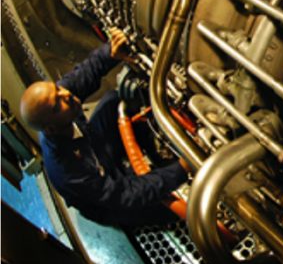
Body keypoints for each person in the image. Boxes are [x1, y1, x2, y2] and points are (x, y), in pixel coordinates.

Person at [19, 28, 189, 227]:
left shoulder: (60, 100)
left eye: (57, 89)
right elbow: (124, 194)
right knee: (163, 206)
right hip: (110, 200)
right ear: (50, 129)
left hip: (94, 147)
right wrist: (181, 169)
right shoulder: (68, 172)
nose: (66, 95)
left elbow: (84, 74)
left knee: (114, 100)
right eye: (58, 104)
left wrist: (110, 52)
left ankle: (158, 125)